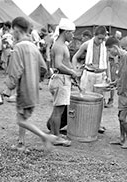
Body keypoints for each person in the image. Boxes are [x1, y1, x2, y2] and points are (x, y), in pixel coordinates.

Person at [6, 17, 59, 152]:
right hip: (33, 90)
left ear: (17, 30)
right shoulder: (34, 47)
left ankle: (44, 136)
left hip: (24, 90)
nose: (12, 34)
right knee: (23, 116)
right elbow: (43, 68)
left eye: (13, 31)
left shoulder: (18, 47)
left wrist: (8, 88)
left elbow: (15, 71)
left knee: (20, 120)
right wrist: (33, 76)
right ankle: (21, 143)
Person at [44, 18, 80, 147]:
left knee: (57, 109)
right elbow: (58, 64)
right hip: (61, 80)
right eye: (72, 33)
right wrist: (72, 72)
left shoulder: (61, 45)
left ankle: (55, 134)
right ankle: (56, 137)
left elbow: (64, 63)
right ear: (66, 32)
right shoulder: (59, 46)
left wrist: (72, 72)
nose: (73, 35)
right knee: (58, 111)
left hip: (61, 79)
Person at [72, 26, 110, 95]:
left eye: (102, 39)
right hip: (88, 74)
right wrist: (75, 70)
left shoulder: (105, 46)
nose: (100, 41)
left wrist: (109, 76)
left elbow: (107, 62)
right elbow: (75, 57)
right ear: (94, 35)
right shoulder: (86, 44)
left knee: (99, 98)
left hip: (100, 75)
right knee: (86, 96)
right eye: (99, 38)